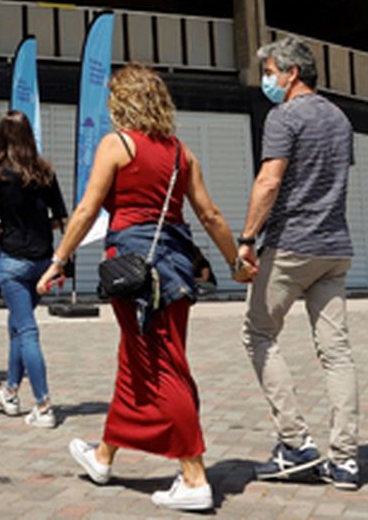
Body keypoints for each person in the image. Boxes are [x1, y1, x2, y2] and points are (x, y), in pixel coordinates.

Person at [38, 64, 246, 513]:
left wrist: (58, 262)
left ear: (122, 103)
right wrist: (235, 263)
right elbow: (209, 215)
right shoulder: (180, 153)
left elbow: (87, 209)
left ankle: (193, 477)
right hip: (174, 269)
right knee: (139, 360)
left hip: (133, 272)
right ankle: (103, 457)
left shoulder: (118, 144)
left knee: (163, 364)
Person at [234, 36, 361, 491]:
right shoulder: (339, 118)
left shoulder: (284, 116)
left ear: (291, 73)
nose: (265, 80)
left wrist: (247, 239)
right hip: (334, 248)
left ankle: (296, 443)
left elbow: (270, 181)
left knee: (259, 333)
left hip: (291, 245)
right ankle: (345, 460)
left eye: (269, 72)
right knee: (336, 352)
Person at [0, 111, 67, 429]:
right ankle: (11, 392)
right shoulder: (44, 171)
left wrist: (5, 229)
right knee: (18, 324)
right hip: (42, 261)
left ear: (3, 136)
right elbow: (60, 218)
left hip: (13, 260)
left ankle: (43, 405)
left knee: (27, 330)